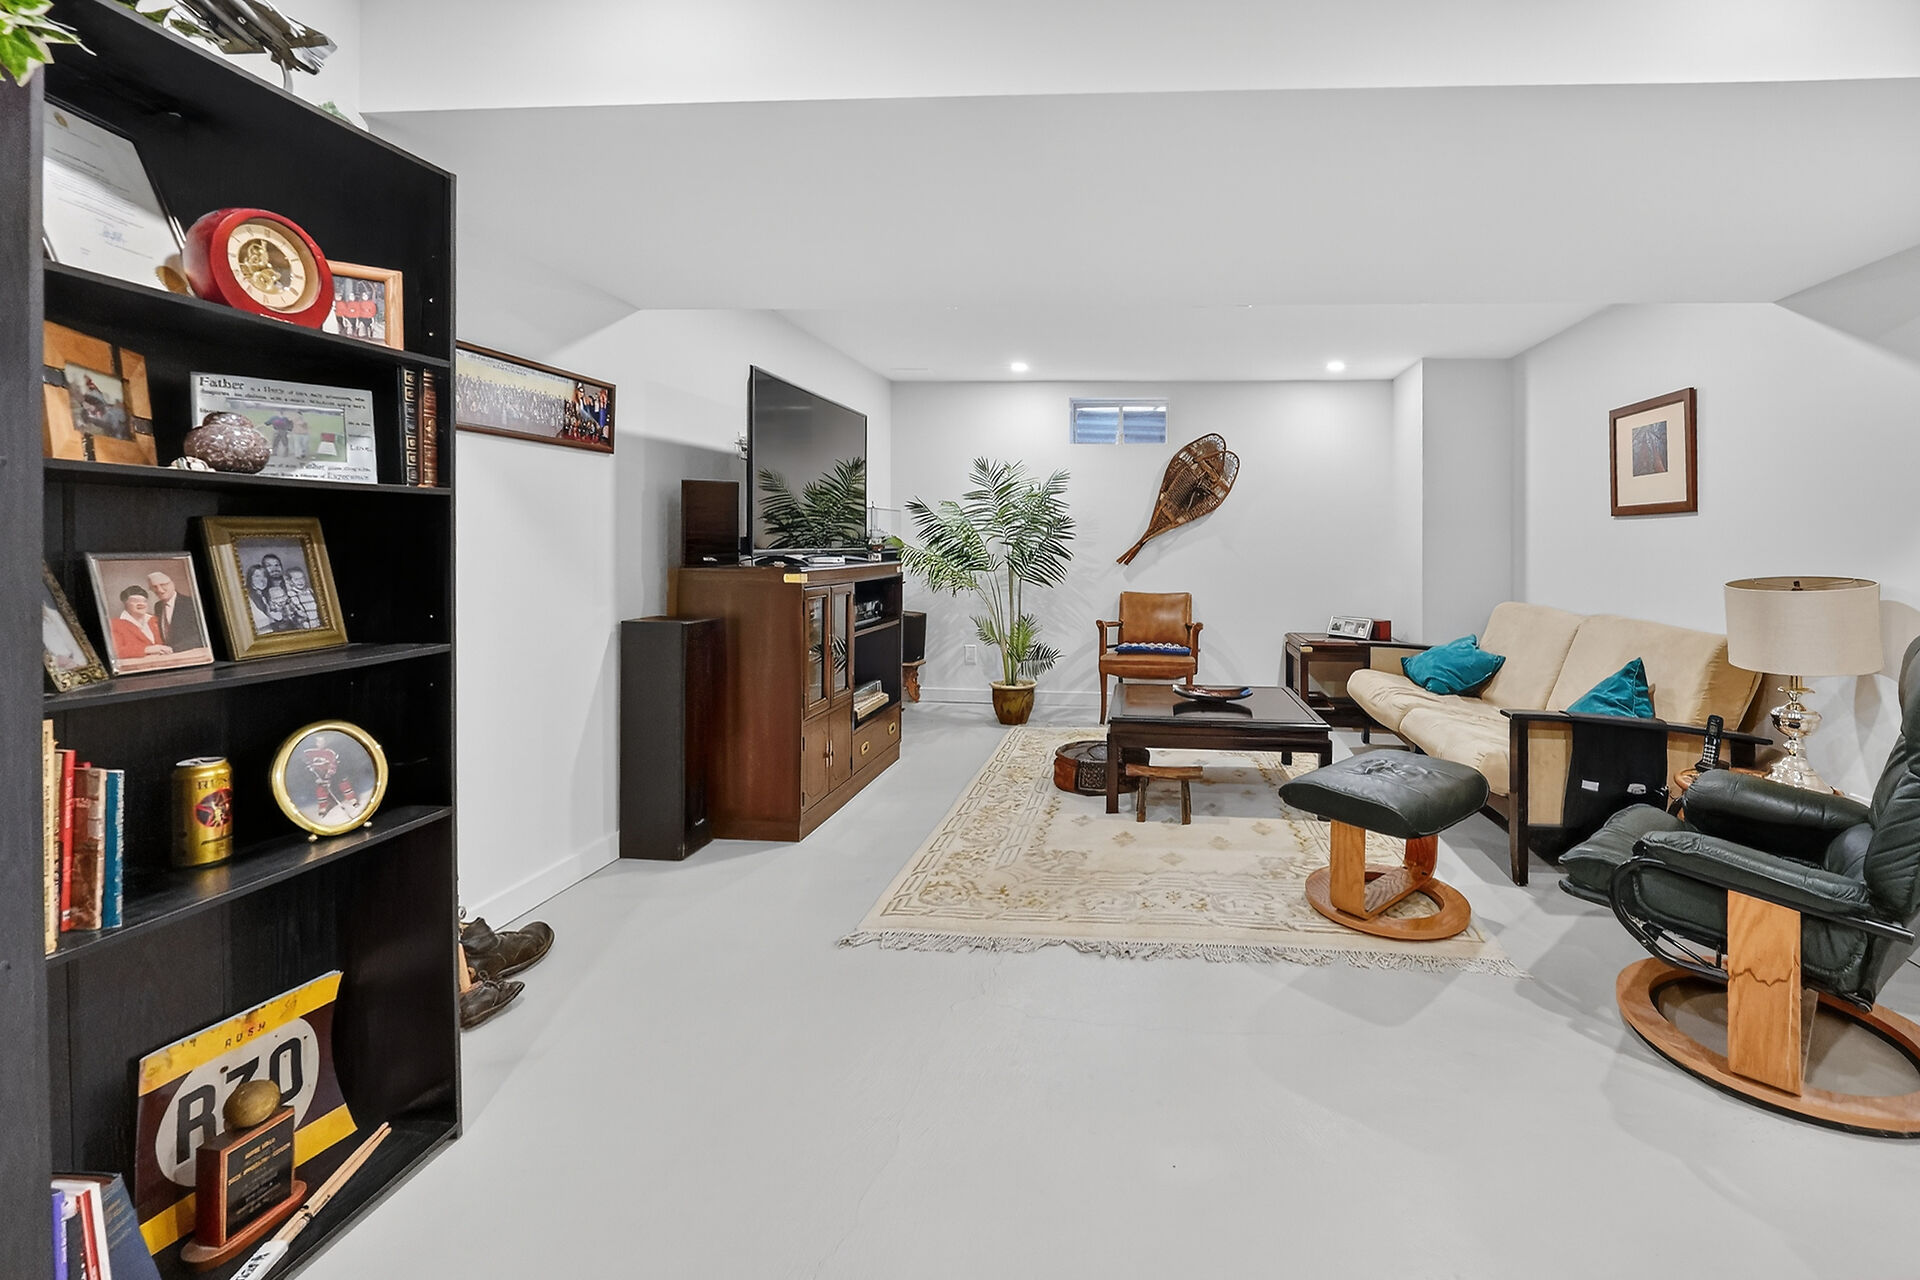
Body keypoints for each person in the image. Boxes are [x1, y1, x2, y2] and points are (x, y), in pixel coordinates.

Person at [301, 733, 360, 821]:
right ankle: (323, 807)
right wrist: (310, 768)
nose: (321, 744)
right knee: (321, 788)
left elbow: (333, 764)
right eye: (319, 742)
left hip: (334, 772)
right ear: (314, 742)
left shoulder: (330, 752)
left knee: (343, 782)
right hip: (319, 773)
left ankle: (352, 799)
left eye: (323, 741)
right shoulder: (309, 752)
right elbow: (305, 760)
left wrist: (328, 776)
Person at [110, 584, 172, 661]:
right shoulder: (115, 624)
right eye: (135, 601)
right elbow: (116, 652)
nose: (141, 604)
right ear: (125, 603)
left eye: (144, 601)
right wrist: (148, 649)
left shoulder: (155, 621)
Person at [147, 570, 203, 651]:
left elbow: (201, 635)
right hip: (168, 654)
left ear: (172, 584)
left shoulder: (191, 603)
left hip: (189, 652)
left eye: (163, 584)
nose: (159, 590)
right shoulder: (158, 606)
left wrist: (173, 649)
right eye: (154, 587)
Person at [246, 564, 276, 634]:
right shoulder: (247, 598)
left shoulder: (268, 595)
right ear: (250, 578)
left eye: (265, 576)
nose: (262, 580)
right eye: (257, 576)